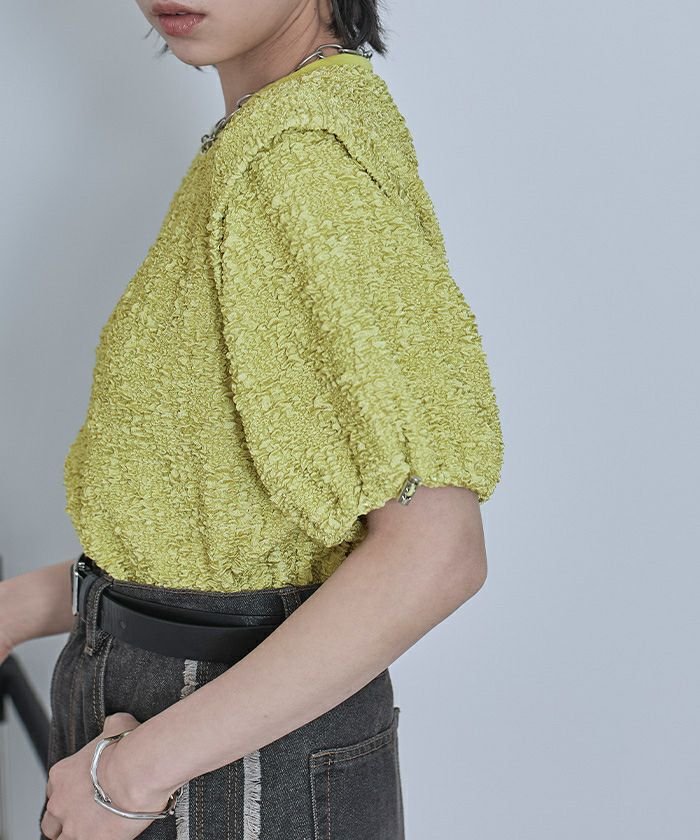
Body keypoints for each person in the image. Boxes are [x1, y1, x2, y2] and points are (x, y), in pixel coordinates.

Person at [0, 1, 504, 838]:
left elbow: (436, 552)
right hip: (197, 734)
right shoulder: (271, 136)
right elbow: (224, 530)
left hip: (213, 761)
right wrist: (21, 607)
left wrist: (131, 776)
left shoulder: (298, 163)